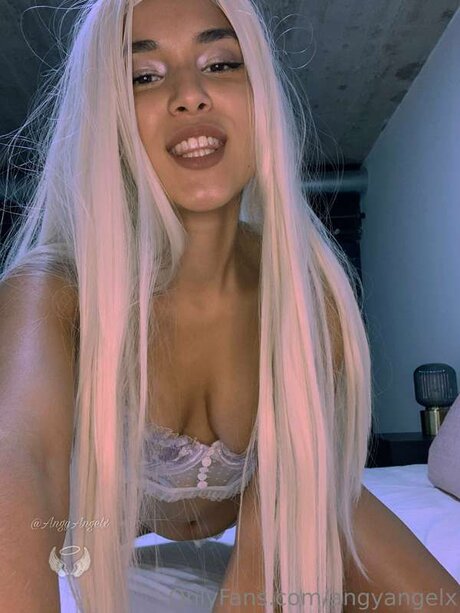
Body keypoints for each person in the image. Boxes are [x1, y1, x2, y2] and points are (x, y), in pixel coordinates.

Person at [0, 0, 458, 612]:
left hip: (290, 525)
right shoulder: (54, 291)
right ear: (109, 117)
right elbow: (18, 464)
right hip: (123, 557)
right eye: (144, 76)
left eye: (220, 64)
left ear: (259, 94)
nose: (190, 95)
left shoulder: (307, 295)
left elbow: (279, 509)